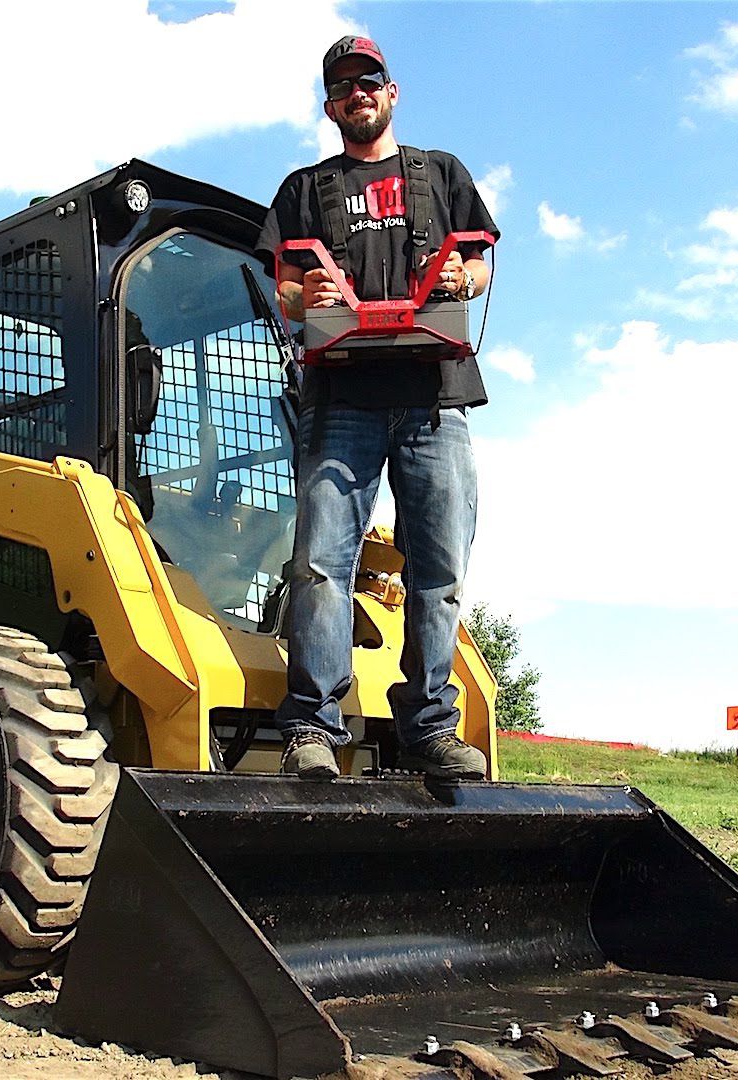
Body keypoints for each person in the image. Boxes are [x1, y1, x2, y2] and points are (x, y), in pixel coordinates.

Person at [258, 35, 500, 780]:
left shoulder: (442, 174)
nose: (358, 93)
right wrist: (310, 296)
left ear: (392, 92)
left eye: (370, 80)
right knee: (321, 565)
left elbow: (481, 263)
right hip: (343, 403)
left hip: (434, 402)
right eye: (343, 87)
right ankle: (314, 731)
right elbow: (286, 287)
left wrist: (464, 275)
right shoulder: (305, 188)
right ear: (331, 106)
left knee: (439, 569)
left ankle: (429, 728)